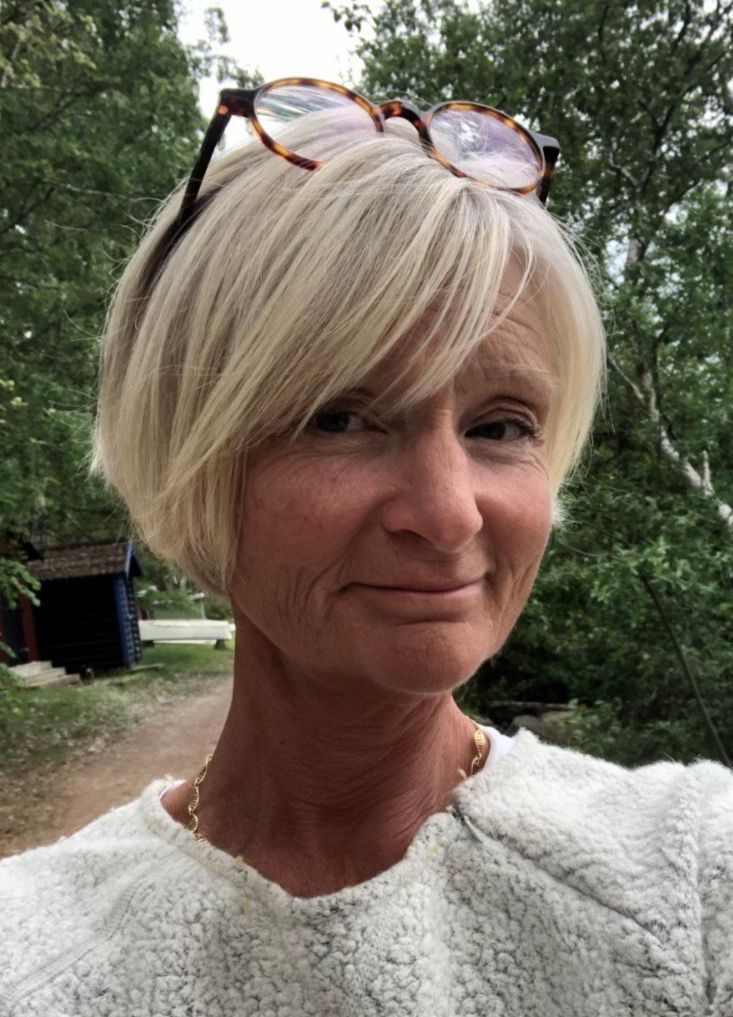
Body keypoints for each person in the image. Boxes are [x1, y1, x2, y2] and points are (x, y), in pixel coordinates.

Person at [1, 78, 731, 1017]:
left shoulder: (690, 880)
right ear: (191, 451)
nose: (448, 514)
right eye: (339, 417)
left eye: (500, 425)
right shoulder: (34, 958)